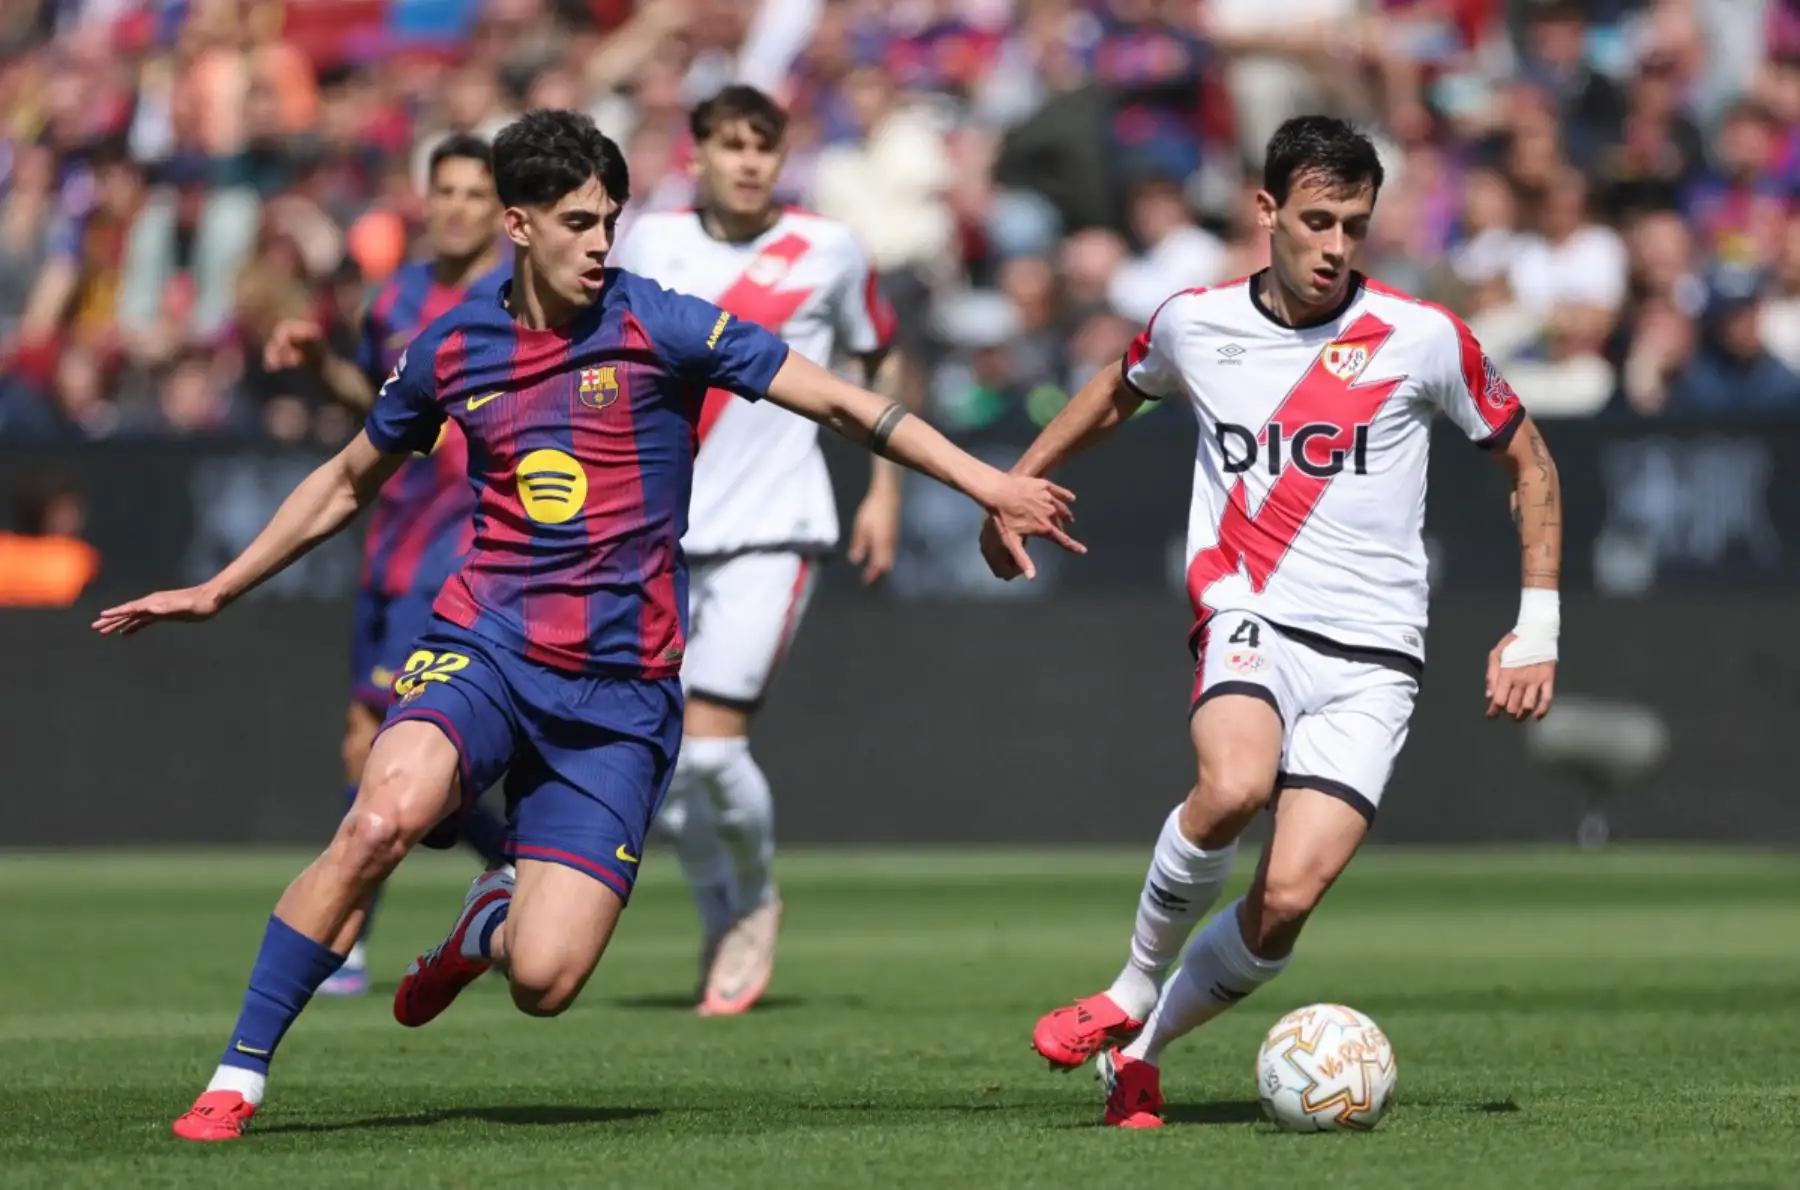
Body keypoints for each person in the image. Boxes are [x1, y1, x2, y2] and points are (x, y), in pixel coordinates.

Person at [95, 109, 1082, 1143]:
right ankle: (239, 1071)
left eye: (610, 219)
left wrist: (991, 482)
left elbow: (839, 401)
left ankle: (490, 917)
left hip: (620, 695)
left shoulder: (662, 323)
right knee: (381, 817)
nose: (602, 243)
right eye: (578, 222)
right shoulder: (454, 346)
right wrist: (221, 587)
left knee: (545, 979)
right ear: (518, 225)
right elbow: (349, 478)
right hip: (484, 644)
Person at [992, 116, 1562, 1128]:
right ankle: (1128, 986)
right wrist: (1017, 484)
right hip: (1249, 612)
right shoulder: (1194, 323)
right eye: (1315, 220)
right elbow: (1120, 391)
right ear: (1266, 212)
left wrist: (1539, 625)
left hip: (1378, 655)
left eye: (1354, 223)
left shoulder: (1423, 336)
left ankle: (1143, 1048)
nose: (1336, 246)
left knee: (1287, 898)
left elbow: (1531, 461)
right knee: (1236, 780)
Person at [609, 84, 905, 1016]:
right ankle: (720, 914)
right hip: (660, 532)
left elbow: (877, 357)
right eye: (729, 144)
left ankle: (755, 901)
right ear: (693, 152)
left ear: (784, 158)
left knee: (707, 750)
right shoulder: (649, 241)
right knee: (665, 773)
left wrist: (884, 491)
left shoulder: (828, 249)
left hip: (777, 525)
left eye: (763, 147)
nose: (747, 162)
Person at [263, 134, 514, 997]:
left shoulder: (514, 301)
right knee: (372, 751)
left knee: (373, 742)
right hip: (391, 540)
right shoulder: (397, 295)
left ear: (502, 209)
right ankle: (519, 860)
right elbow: (382, 408)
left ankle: (345, 938)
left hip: (456, 550)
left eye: (475, 194)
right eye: (443, 190)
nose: (455, 207)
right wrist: (322, 363)